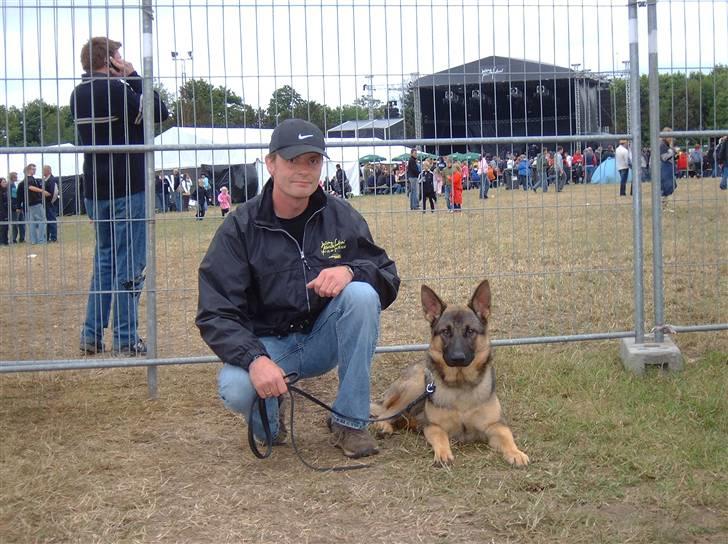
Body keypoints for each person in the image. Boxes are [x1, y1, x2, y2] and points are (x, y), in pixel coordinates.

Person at [197, 119, 400, 459]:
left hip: (322, 338)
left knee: (362, 294)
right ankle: (271, 424)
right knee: (236, 387)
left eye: (313, 161)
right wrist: (255, 359)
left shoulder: (341, 216)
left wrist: (350, 270)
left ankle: (349, 421)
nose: (304, 171)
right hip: (268, 346)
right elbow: (215, 312)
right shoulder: (239, 228)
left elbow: (386, 275)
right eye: (293, 161)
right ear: (271, 163)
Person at [71, 36, 169, 356]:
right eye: (118, 56)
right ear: (109, 60)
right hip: (127, 186)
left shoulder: (77, 94)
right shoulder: (117, 90)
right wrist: (133, 76)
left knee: (104, 262)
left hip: (95, 190)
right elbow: (160, 110)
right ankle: (126, 339)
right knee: (130, 265)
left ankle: (91, 334)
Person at [17, 163, 48, 244]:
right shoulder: (30, 179)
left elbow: (19, 195)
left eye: (35, 169)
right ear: (28, 170)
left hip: (29, 205)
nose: (35, 170)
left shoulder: (23, 182)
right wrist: (42, 191)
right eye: (33, 169)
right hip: (35, 203)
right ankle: (41, 240)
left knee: (32, 223)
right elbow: (30, 187)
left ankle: (33, 240)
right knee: (42, 220)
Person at [659, 128, 677, 210]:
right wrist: (673, 152)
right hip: (663, 167)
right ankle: (662, 206)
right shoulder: (662, 145)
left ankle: (664, 206)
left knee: (670, 186)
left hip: (667, 167)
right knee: (666, 187)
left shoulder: (666, 145)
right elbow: (664, 157)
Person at [42, 165, 59, 242]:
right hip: (47, 203)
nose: (42, 172)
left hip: (50, 203)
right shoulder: (46, 180)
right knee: (48, 221)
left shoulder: (52, 180)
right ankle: (47, 237)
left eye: (44, 170)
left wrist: (51, 202)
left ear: (48, 171)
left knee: (52, 220)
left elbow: (55, 192)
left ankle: (53, 238)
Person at [8, 172, 24, 243]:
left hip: (17, 207)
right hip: (16, 208)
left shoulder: (12, 185)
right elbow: (14, 197)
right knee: (16, 224)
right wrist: (16, 207)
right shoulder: (12, 185)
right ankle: (14, 239)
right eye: (16, 176)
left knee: (20, 223)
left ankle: (20, 238)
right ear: (12, 177)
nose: (17, 178)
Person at [0, 177, 9, 246]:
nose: (5, 183)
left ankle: (5, 240)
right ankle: (2, 241)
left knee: (6, 226)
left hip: (6, 211)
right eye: (3, 182)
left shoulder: (6, 190)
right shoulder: (1, 192)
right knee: (3, 227)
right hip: (2, 212)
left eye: (5, 182)